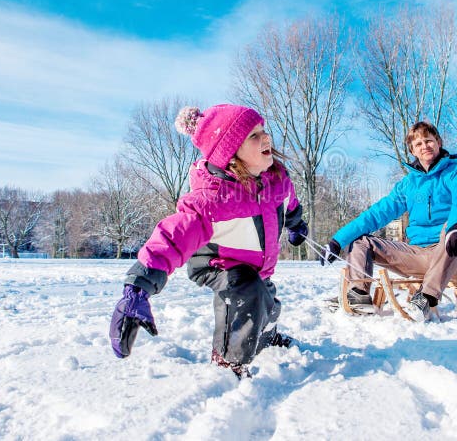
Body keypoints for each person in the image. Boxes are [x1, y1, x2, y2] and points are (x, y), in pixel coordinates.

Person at [109, 104, 308, 378]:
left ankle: (265, 336)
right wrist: (137, 289)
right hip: (218, 263)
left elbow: (290, 203)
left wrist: (297, 225)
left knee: (269, 305)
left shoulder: (277, 180)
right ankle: (228, 362)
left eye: (263, 130)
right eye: (253, 135)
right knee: (247, 293)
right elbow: (172, 236)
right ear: (231, 154)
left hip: (258, 267)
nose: (266, 138)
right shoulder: (214, 199)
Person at [324, 121, 457, 321]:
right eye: (418, 144)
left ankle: (426, 298)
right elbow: (377, 214)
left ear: (439, 142)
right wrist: (338, 240)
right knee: (361, 240)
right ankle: (358, 294)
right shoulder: (408, 185)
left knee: (455, 227)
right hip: (420, 255)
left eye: (429, 140)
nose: (425, 146)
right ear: (412, 150)